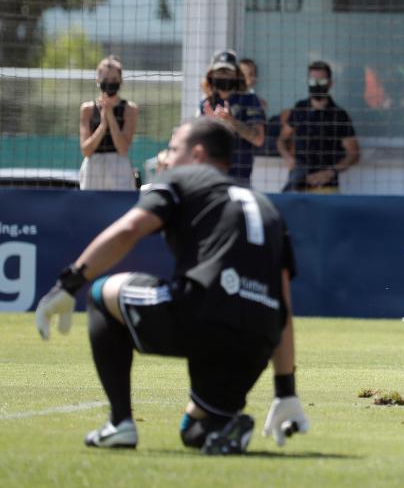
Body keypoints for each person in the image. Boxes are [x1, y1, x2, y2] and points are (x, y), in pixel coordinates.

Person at [34, 117, 309, 454]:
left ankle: (119, 423)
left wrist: (70, 282)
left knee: (100, 294)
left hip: (203, 312)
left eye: (173, 148)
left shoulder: (184, 177)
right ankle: (227, 427)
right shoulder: (268, 208)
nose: (166, 156)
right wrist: (285, 390)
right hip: (256, 338)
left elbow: (128, 230)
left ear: (196, 154)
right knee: (195, 431)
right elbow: (283, 305)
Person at [278, 61, 360, 193]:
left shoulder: (339, 115)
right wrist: (287, 157)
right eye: (312, 81)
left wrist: (330, 172)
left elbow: (354, 153)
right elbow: (282, 139)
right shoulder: (300, 108)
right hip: (298, 185)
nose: (316, 85)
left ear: (330, 83)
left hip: (327, 187)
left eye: (321, 81)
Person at [198, 50, 266, 186]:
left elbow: (259, 139)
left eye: (228, 72)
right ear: (211, 75)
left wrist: (230, 121)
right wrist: (212, 125)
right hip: (211, 178)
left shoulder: (249, 100)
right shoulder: (206, 103)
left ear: (236, 75)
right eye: (219, 72)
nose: (223, 76)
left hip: (240, 178)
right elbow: (200, 145)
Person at [79, 56, 138, 191]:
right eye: (105, 79)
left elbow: (123, 148)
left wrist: (110, 117)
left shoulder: (130, 109)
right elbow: (86, 150)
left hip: (119, 167)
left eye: (113, 80)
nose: (109, 83)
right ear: (98, 80)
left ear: (120, 81)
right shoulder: (87, 109)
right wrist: (102, 125)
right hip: (93, 169)